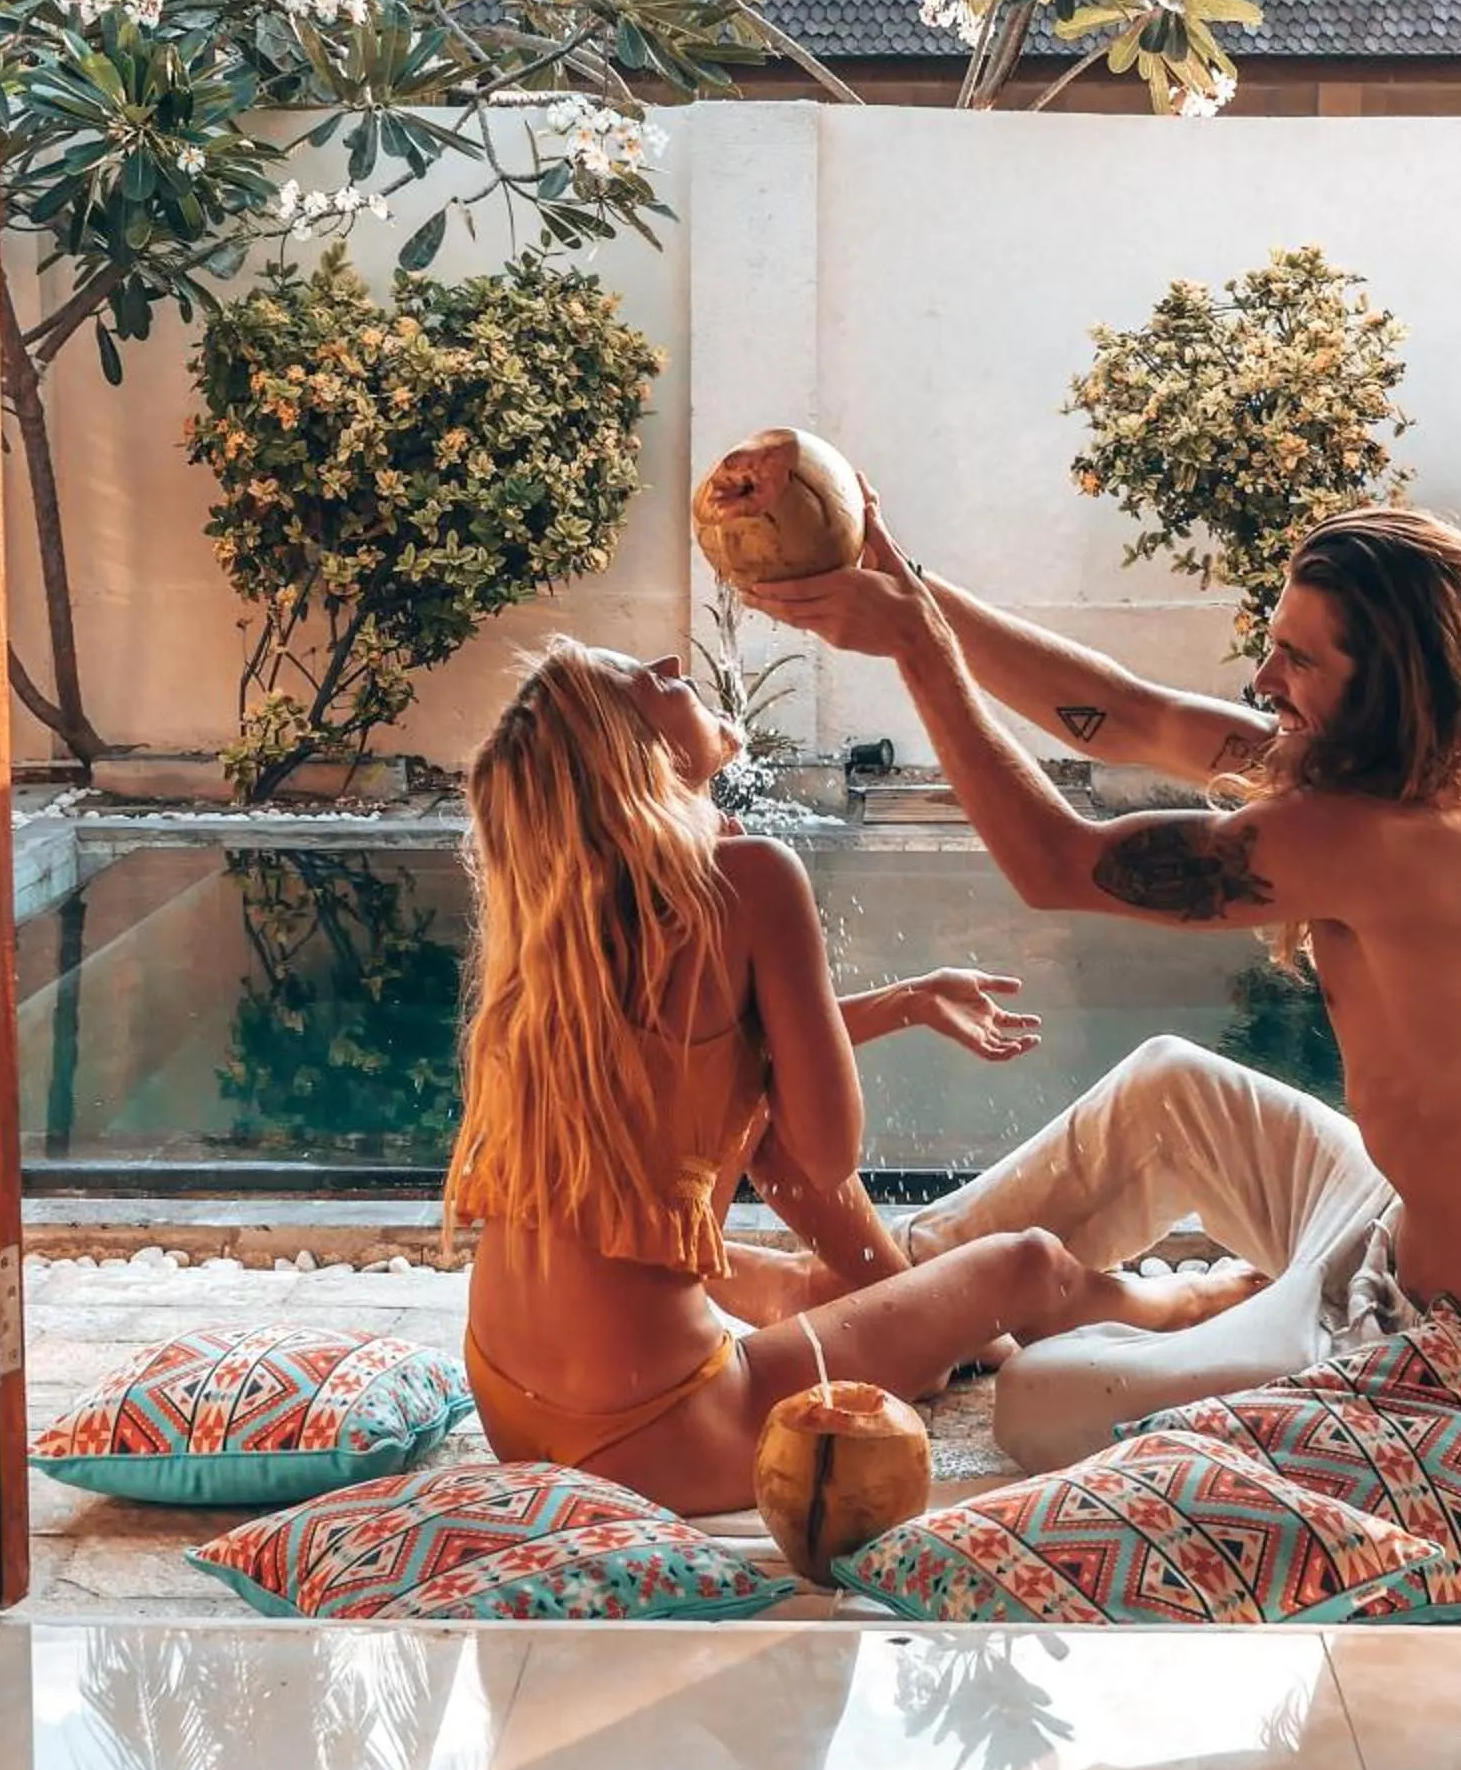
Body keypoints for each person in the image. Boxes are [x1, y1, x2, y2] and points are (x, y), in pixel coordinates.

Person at [749, 501, 1461, 1476]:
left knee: (1040, 1404)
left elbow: (1054, 863)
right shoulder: (1432, 775)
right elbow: (1130, 716)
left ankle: (1021, 1310)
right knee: (1171, 1087)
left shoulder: (1386, 841)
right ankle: (894, 1289)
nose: (1264, 681)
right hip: (1395, 1235)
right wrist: (911, 588)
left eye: (1299, 661)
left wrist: (917, 649)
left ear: (1390, 688)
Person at [444, 640, 1266, 1517]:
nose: (674, 660)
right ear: (633, 752)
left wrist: (906, 1001)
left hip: (511, 1405)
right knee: (1024, 1265)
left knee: (823, 1285)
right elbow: (823, 1153)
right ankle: (1175, 1305)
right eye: (650, 680)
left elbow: (717, 1050)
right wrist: (870, 1027)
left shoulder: (558, 939)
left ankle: (944, 1329)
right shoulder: (751, 875)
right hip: (663, 1433)